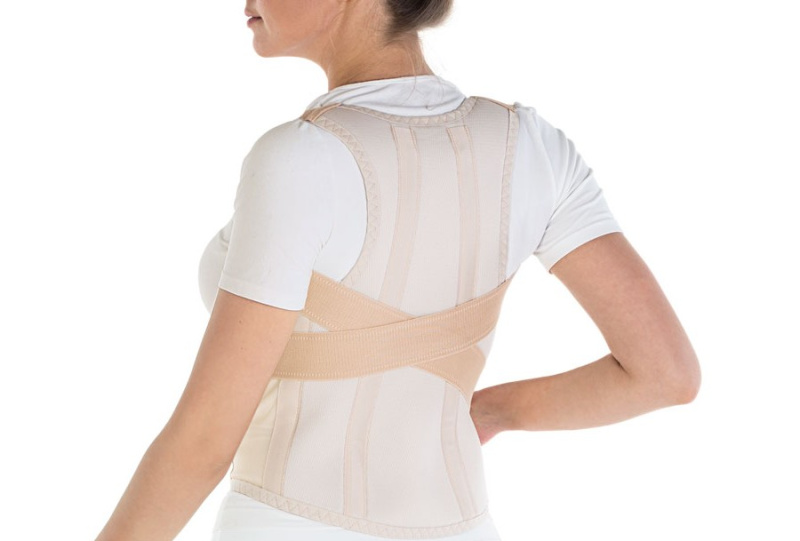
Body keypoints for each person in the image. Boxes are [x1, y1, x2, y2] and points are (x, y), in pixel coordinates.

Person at [94, 0, 702, 540]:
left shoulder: (299, 158)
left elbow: (204, 441)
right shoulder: (532, 149)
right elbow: (665, 374)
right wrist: (495, 411)